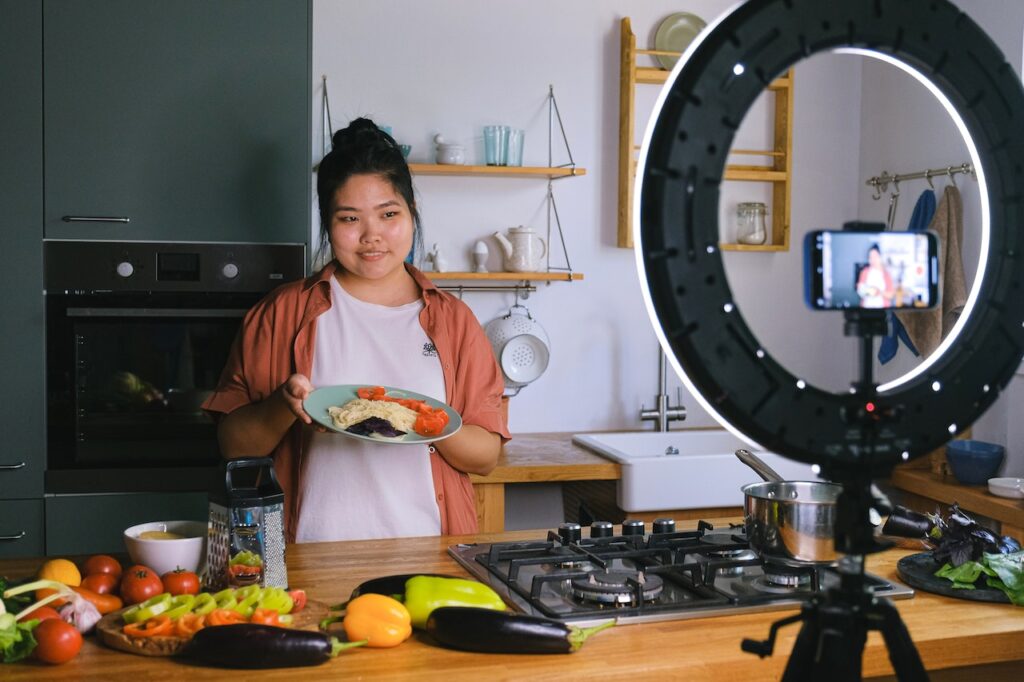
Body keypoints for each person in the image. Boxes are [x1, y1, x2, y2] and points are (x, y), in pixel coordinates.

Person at [203, 118, 510, 543]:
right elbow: (233, 445)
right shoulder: (283, 312)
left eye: (388, 214)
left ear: (411, 214)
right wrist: (283, 405)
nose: (372, 236)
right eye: (350, 218)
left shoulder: (454, 321)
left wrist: (424, 420)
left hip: (427, 549)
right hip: (309, 551)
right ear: (328, 224)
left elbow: (486, 456)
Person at [856, 243, 895, 309]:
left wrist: (879, 292)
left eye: (875, 257)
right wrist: (864, 290)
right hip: (866, 308)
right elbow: (860, 290)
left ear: (880, 257)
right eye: (870, 257)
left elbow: (891, 295)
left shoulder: (886, 274)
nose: (872, 260)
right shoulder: (864, 272)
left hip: (882, 310)